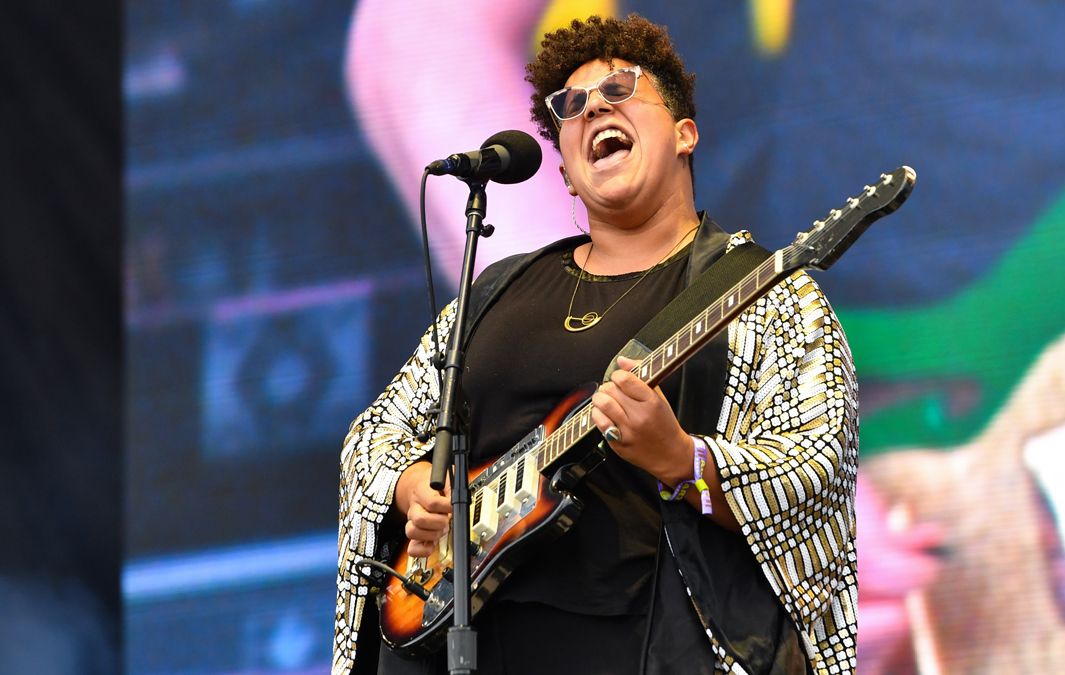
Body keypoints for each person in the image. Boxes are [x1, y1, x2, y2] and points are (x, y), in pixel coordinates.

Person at [335, 14, 858, 674]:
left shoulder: (762, 293)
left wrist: (684, 459)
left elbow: (814, 472)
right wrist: (415, 485)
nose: (592, 111)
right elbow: (376, 433)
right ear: (565, 172)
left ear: (685, 133)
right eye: (572, 107)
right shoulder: (498, 291)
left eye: (620, 90)